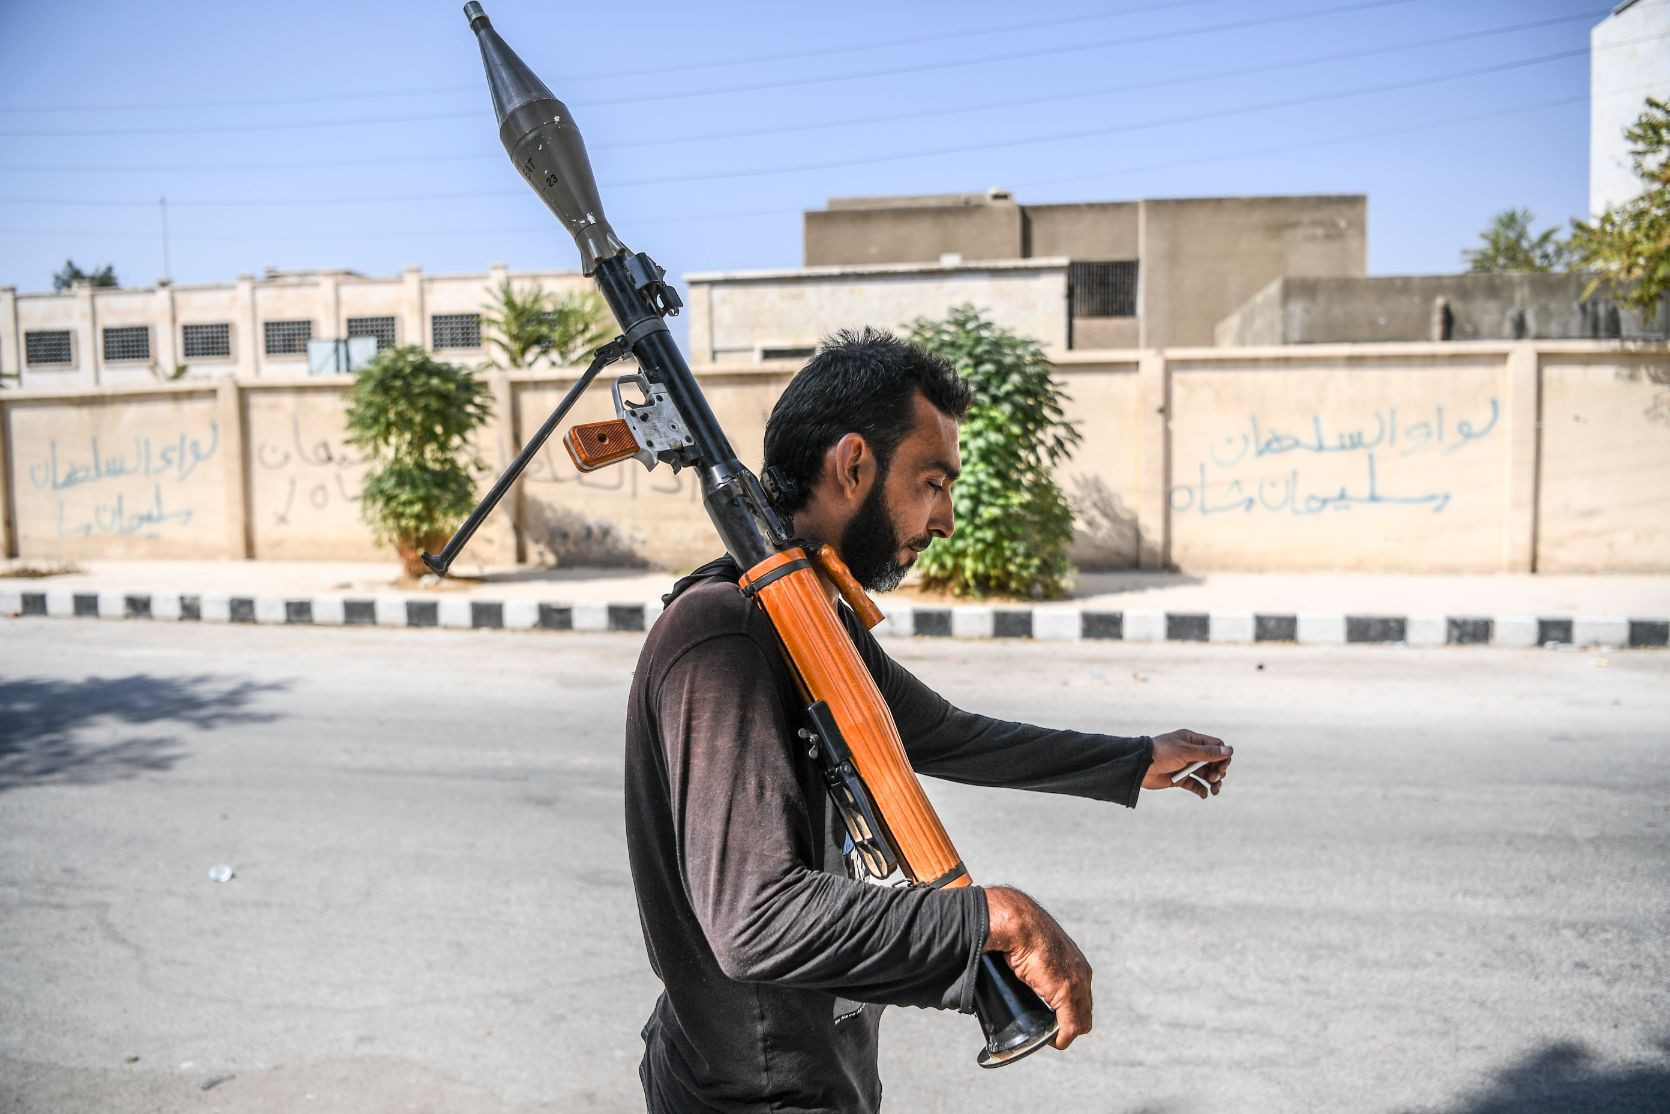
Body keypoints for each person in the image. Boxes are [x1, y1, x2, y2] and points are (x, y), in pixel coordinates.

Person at [624, 327, 1231, 1113]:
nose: (944, 518)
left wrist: (1133, 759)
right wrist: (993, 918)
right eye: (933, 481)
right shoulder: (729, 634)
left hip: (816, 1069)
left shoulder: (805, 616)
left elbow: (945, 734)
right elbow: (757, 920)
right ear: (853, 465)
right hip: (755, 1090)